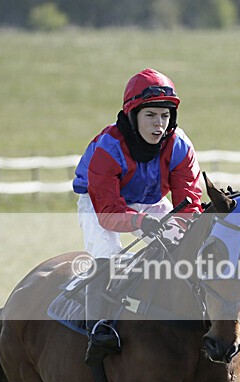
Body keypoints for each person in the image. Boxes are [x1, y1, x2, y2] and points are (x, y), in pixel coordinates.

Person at [73, 68, 203, 365]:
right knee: (108, 257)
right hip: (99, 202)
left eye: (165, 116)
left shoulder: (179, 144)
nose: (159, 125)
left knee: (186, 245)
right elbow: (108, 212)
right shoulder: (109, 147)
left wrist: (179, 225)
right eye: (151, 115)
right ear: (132, 115)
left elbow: (188, 201)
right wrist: (141, 223)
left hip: (150, 200)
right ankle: (99, 330)